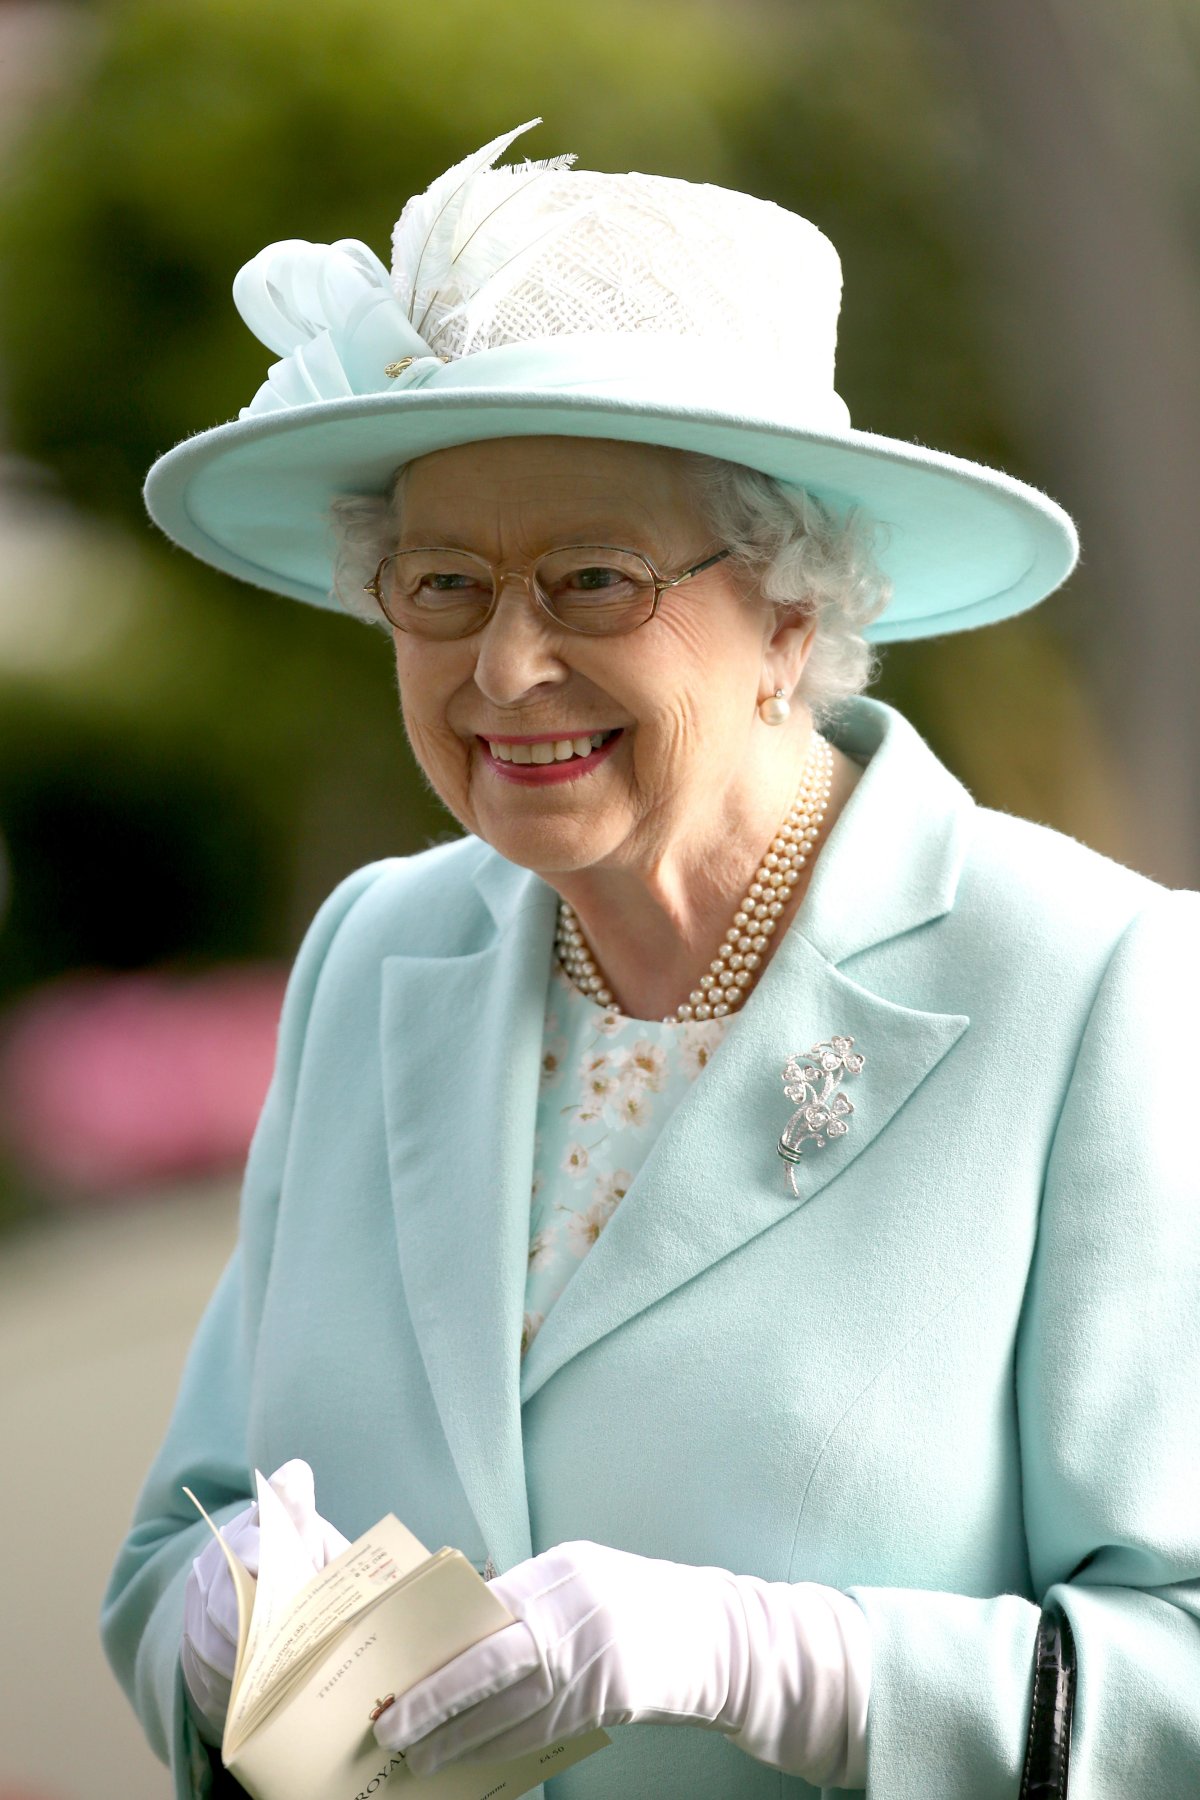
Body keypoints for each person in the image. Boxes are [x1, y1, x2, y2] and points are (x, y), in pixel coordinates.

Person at [101, 120, 1200, 1800]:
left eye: (594, 580)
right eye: (444, 581)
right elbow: (184, 1521)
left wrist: (780, 1665)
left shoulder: (1097, 984)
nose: (506, 662)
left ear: (788, 613)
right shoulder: (374, 949)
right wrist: (220, 1610)